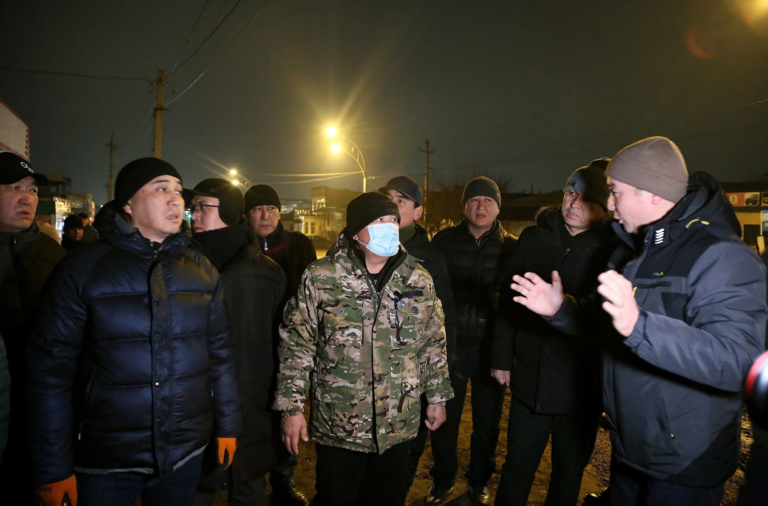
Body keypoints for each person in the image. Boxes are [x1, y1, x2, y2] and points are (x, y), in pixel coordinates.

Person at [511, 137, 767, 506]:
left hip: (683, 465)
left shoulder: (721, 256)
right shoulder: (635, 251)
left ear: (650, 193)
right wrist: (560, 309)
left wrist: (640, 326)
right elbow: (605, 327)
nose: (608, 204)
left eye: (615, 192)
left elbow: (740, 361)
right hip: (630, 450)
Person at [27, 157, 242, 506]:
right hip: (105, 462)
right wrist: (52, 466)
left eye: (178, 192)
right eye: (161, 189)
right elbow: (50, 373)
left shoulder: (201, 269)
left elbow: (221, 355)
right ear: (128, 203)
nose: (175, 200)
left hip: (184, 454)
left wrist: (229, 425)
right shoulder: (82, 269)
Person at [274, 192, 453, 506]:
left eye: (393, 220)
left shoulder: (418, 279)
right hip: (339, 426)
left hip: (397, 424)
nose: (389, 227)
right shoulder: (321, 277)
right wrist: (292, 408)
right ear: (356, 231)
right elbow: (297, 344)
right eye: (379, 220)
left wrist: (437, 398)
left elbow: (432, 343)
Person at [491, 159, 615, 506]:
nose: (574, 203)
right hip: (530, 379)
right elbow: (508, 302)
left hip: (580, 389)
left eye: (587, 198)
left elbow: (605, 322)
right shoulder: (533, 238)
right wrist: (501, 358)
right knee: (517, 467)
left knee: (568, 475)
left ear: (605, 207)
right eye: (570, 192)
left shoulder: (611, 251)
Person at [186, 178, 286, 506]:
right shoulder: (180, 268)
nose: (193, 216)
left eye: (203, 207)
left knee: (249, 490)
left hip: (253, 407)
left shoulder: (267, 273)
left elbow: (283, 343)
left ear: (229, 213)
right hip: (195, 409)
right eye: (192, 208)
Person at [425, 177, 516, 505]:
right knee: (444, 419)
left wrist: (507, 354)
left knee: (487, 423)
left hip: (491, 350)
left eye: (488, 200)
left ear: (498, 208)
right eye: (474, 200)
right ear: (464, 207)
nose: (481, 206)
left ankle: (479, 481)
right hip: (450, 348)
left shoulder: (512, 246)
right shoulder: (444, 241)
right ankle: (443, 478)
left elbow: (514, 304)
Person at [377, 176, 457, 503]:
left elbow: (441, 321)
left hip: (410, 379)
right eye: (388, 198)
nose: (393, 205)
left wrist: (437, 380)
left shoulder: (430, 257)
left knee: (407, 453)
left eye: (401, 200)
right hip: (367, 377)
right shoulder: (362, 246)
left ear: (418, 211)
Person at [244, 183, 315, 505]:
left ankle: (284, 480)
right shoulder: (241, 247)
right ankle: (250, 482)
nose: (265, 215)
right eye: (258, 209)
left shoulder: (298, 246)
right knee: (255, 416)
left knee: (289, 412)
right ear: (247, 214)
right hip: (252, 346)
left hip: (292, 347)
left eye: (271, 208)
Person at [0, 152, 65, 503]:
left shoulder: (53, 254)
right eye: (14, 187)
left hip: (39, 413)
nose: (27, 198)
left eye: (32, 190)